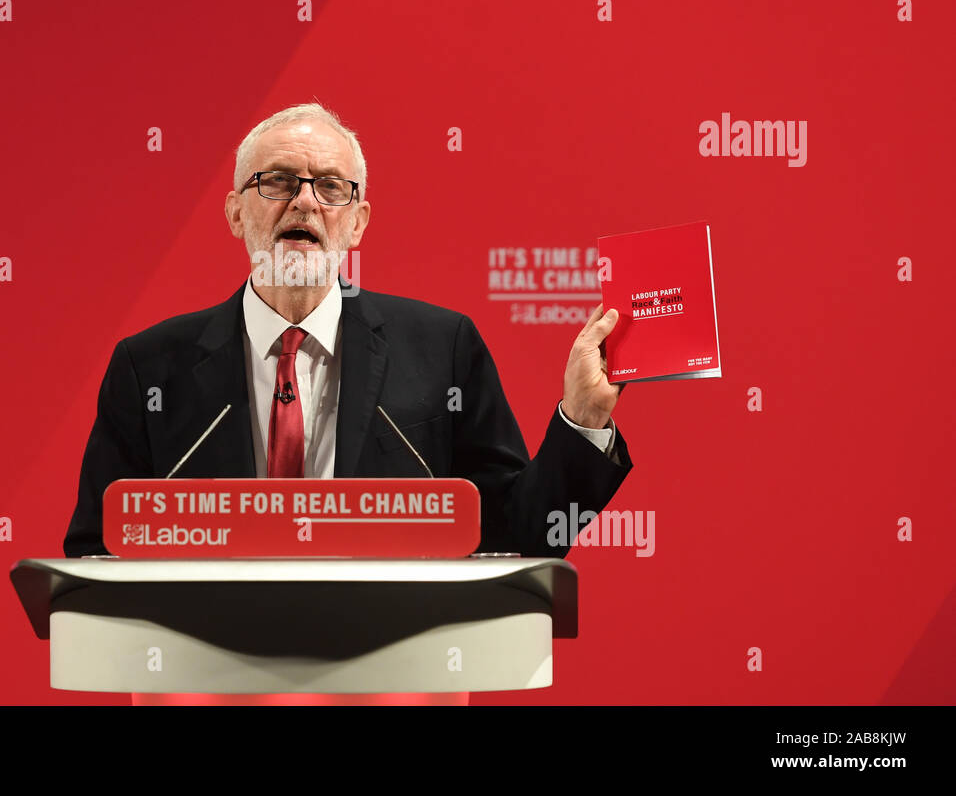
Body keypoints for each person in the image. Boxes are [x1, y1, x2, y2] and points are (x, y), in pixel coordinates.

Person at [64, 103, 632, 559]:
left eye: (331, 187)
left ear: (357, 223)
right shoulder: (150, 367)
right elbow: (98, 551)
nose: (305, 201)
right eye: (278, 182)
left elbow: (523, 537)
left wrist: (583, 420)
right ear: (236, 213)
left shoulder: (442, 349)